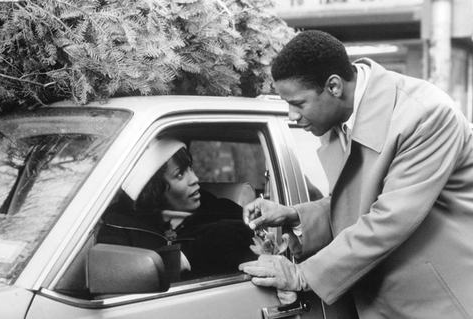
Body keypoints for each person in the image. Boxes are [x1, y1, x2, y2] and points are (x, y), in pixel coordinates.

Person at [239, 30, 473, 318]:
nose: (291, 116)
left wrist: (302, 275)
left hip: (440, 304)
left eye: (298, 103)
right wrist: (294, 215)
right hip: (382, 300)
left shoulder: (425, 115)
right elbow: (358, 200)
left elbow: (390, 219)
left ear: (334, 87)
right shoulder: (342, 118)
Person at [97, 137, 256, 281]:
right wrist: (182, 258)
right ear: (155, 189)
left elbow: (249, 238)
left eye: (190, 168)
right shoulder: (119, 225)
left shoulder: (220, 210)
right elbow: (113, 277)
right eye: (179, 174)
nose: (195, 179)